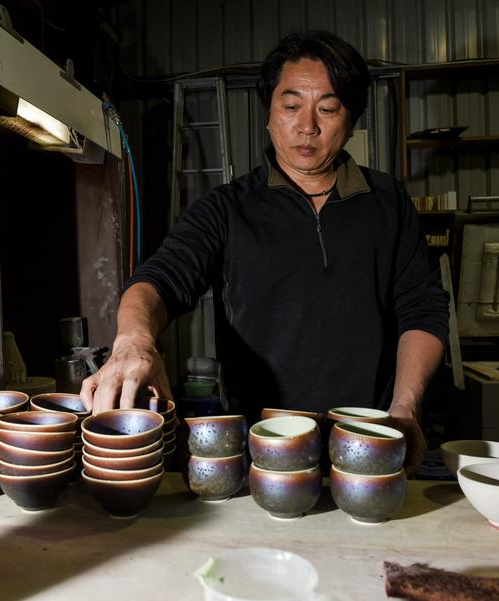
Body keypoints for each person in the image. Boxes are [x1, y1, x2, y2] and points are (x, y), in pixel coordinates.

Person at [81, 31, 448, 475]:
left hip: (370, 437)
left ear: (352, 120)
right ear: (269, 113)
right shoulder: (228, 209)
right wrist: (133, 343)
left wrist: (405, 406)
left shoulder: (388, 202)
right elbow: (158, 281)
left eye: (328, 109)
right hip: (266, 449)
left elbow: (422, 309)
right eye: (291, 106)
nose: (307, 126)